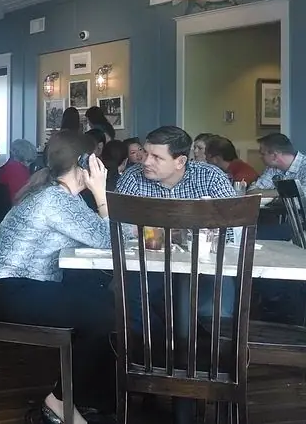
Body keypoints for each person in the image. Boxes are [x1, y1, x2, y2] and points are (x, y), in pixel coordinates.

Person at [0, 130, 113, 424]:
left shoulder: (60, 194)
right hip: (8, 291)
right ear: (86, 163)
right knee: (106, 313)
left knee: (102, 298)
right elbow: (107, 238)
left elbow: (100, 233)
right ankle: (59, 401)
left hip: (12, 288)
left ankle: (89, 398)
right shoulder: (56, 200)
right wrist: (101, 193)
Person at [115, 126, 237, 424]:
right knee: (127, 299)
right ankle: (157, 375)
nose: (146, 161)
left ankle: (184, 383)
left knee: (195, 315)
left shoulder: (209, 177)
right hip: (150, 272)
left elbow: (233, 232)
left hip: (205, 274)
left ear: (180, 161)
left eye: (156, 157)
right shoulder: (132, 179)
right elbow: (116, 226)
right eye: (145, 153)